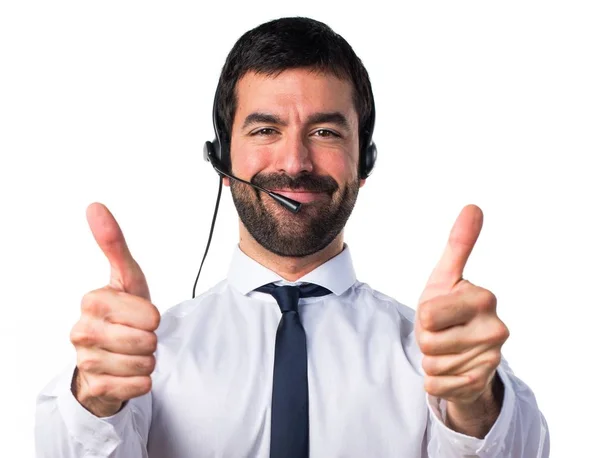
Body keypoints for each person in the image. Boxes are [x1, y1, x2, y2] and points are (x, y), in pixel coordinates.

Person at [34, 16, 549, 457]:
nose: (295, 163)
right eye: (264, 130)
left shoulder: (438, 355)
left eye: (326, 132)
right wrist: (94, 398)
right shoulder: (142, 355)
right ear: (221, 159)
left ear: (364, 162)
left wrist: (473, 403)